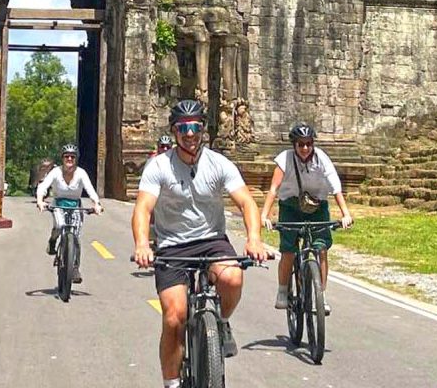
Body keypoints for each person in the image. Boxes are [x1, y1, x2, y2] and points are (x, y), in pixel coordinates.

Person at [132, 99, 266, 388]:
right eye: (183, 128)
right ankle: (171, 383)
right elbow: (143, 208)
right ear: (174, 130)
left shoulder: (218, 163)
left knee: (232, 277)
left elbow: (246, 202)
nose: (190, 134)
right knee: (174, 318)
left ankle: (220, 321)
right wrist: (143, 244)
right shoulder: (159, 166)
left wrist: (254, 238)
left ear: (203, 129)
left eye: (195, 127)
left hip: (212, 241)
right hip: (172, 247)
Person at [260, 122, 353, 314]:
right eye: (301, 144)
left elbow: (335, 187)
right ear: (294, 145)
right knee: (288, 250)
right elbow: (273, 189)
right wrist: (265, 215)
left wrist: (345, 213)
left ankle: (321, 294)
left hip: (317, 206)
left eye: (308, 144)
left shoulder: (322, 159)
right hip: (290, 206)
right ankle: (283, 290)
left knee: (321, 249)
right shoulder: (284, 160)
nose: (305, 148)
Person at [36, 143, 103, 283]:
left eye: (72, 157)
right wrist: (40, 200)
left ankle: (75, 267)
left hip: (75, 206)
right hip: (59, 204)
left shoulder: (81, 173)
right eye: (67, 156)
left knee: (76, 236)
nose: (69, 159)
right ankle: (53, 241)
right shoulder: (55, 172)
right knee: (59, 226)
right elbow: (43, 186)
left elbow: (90, 190)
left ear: (76, 159)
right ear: (62, 158)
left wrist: (96, 204)